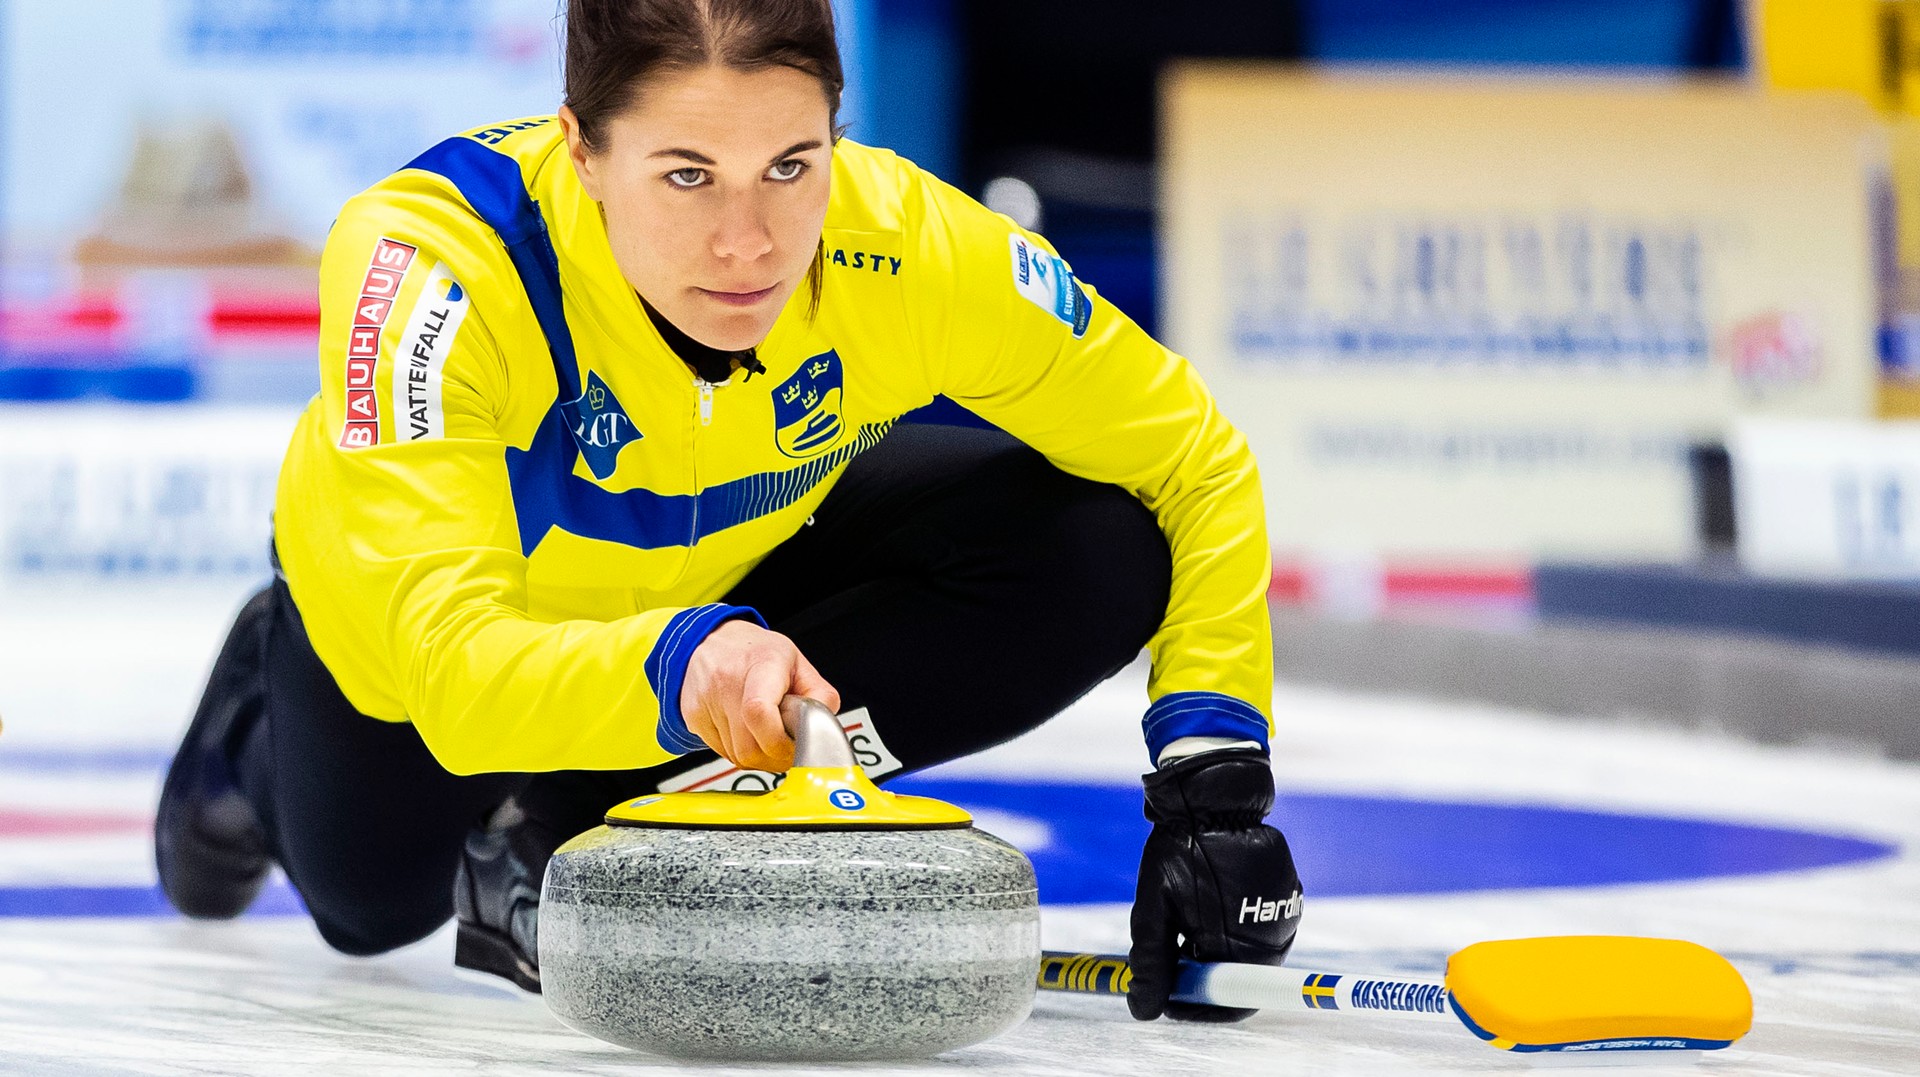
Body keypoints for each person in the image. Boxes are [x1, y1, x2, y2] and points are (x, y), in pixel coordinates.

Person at [154, 0, 1301, 1023]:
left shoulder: (903, 244)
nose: (749, 244)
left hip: (708, 598)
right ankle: (252, 725)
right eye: (688, 175)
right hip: (423, 653)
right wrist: (685, 665)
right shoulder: (436, 269)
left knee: (1096, 550)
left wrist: (1214, 785)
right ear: (583, 150)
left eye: (791, 167)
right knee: (371, 907)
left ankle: (584, 817)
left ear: (836, 142)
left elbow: (1190, 456)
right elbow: (453, 674)